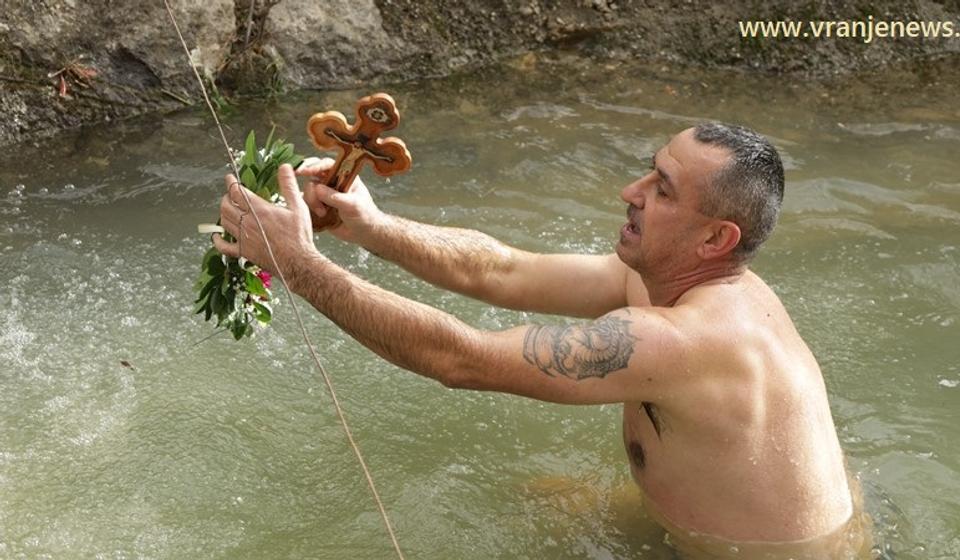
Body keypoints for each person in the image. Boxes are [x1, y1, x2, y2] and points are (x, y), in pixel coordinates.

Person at [213, 123, 869, 558]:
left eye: (662, 190)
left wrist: (302, 268)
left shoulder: (685, 340)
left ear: (715, 238)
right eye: (648, 172)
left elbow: (461, 360)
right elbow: (499, 268)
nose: (630, 193)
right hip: (736, 524)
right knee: (533, 500)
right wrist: (372, 228)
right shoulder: (661, 280)